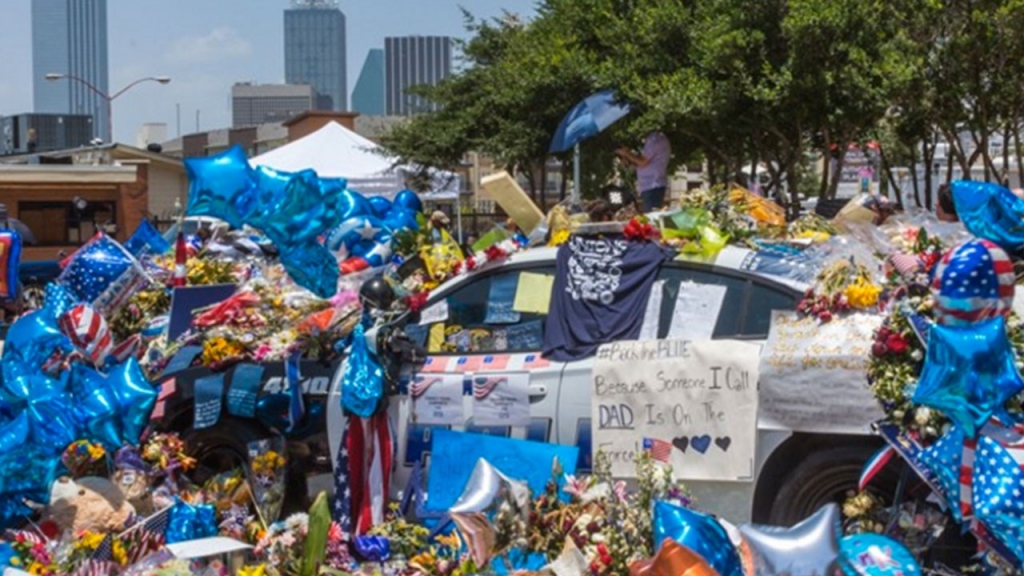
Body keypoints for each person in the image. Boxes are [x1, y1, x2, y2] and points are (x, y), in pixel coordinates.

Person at [616, 132, 671, 213]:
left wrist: (627, 154)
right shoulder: (654, 139)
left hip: (653, 185)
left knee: (651, 217)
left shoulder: (654, 139)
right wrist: (629, 159)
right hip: (651, 185)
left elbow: (643, 162)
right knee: (650, 215)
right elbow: (643, 164)